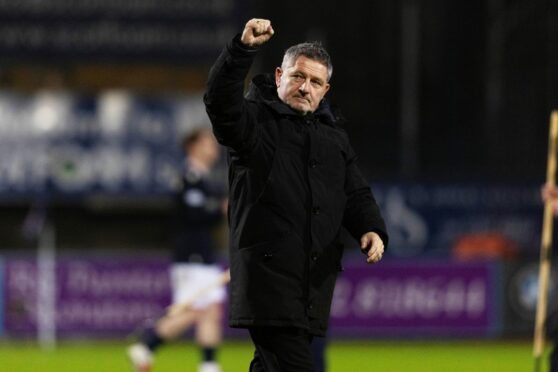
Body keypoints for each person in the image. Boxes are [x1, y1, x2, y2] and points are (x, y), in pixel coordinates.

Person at [204, 18, 389, 371]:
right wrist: (241, 50)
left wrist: (371, 228)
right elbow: (219, 102)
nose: (305, 87)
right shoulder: (254, 122)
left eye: (315, 82)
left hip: (312, 284)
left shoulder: (333, 138)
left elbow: (355, 191)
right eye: (298, 77)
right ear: (278, 77)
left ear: (325, 90)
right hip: (269, 283)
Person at [127, 128, 227, 372]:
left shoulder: (203, 179)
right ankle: (147, 344)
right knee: (196, 309)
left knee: (209, 309)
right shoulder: (188, 178)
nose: (214, 149)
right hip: (191, 254)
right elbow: (194, 216)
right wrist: (221, 210)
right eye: (207, 144)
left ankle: (208, 365)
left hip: (202, 253)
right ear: (193, 147)